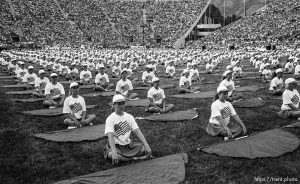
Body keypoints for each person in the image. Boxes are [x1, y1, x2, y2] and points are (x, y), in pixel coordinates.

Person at [104, 94, 152, 164]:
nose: (121, 106)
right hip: (116, 146)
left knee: (143, 148)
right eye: (119, 104)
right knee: (111, 154)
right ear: (114, 105)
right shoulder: (110, 119)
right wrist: (114, 151)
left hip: (128, 145)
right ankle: (134, 158)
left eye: (123, 103)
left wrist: (147, 145)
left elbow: (138, 132)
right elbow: (110, 137)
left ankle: (127, 158)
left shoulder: (129, 117)